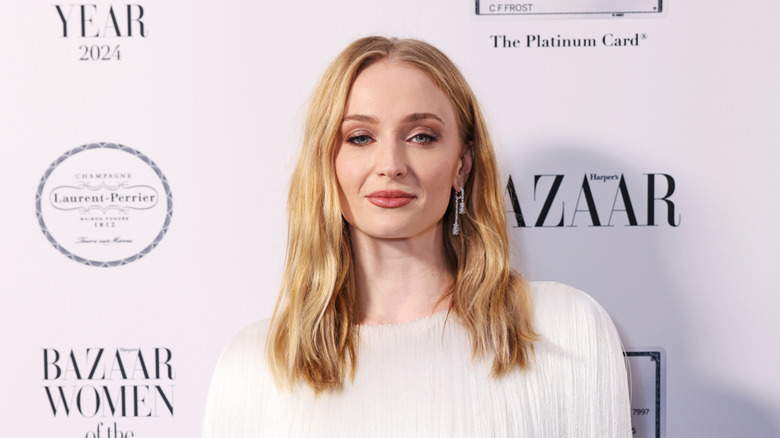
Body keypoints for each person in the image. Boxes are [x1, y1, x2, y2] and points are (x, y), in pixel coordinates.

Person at [203, 36, 631, 437]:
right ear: (326, 164)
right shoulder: (255, 366)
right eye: (360, 137)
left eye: (421, 136)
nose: (390, 164)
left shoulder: (562, 329)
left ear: (462, 165)